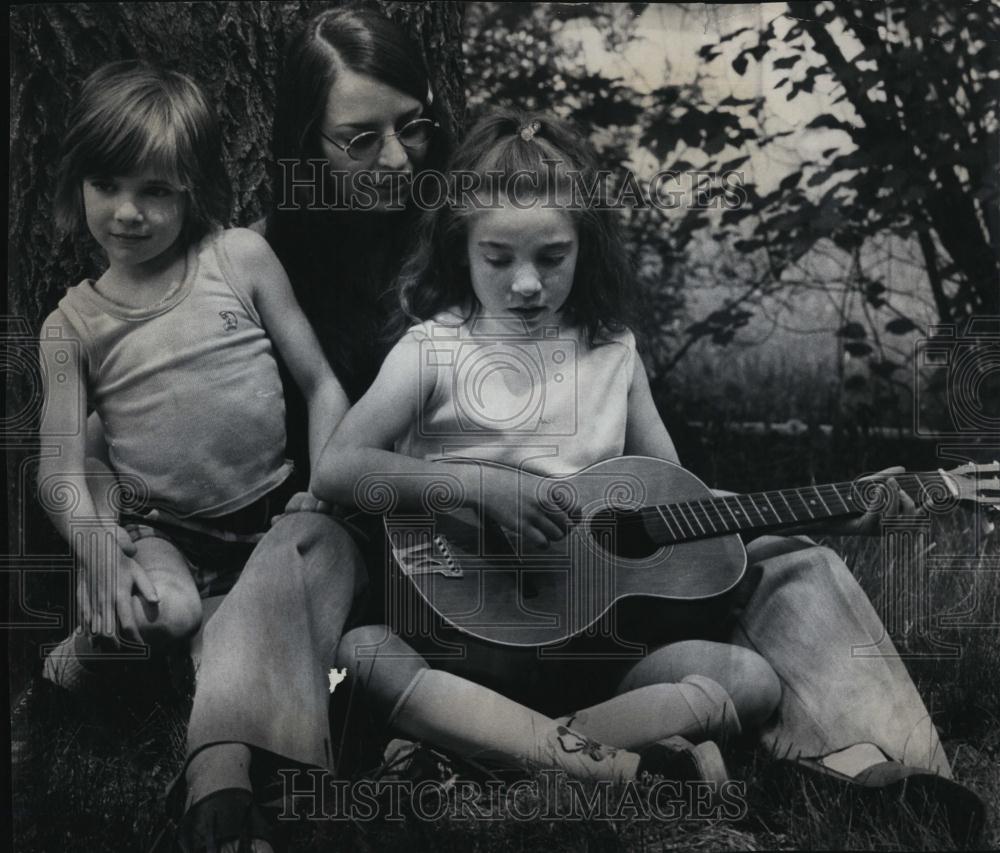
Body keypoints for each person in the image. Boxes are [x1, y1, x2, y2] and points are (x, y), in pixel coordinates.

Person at [316, 109, 781, 785]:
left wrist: (828, 506)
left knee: (755, 679)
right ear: (460, 248)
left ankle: (507, 749)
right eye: (498, 259)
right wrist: (481, 486)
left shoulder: (613, 352)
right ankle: (619, 767)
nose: (527, 283)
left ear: (584, 246)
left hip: (591, 652)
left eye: (551, 257)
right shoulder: (433, 349)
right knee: (363, 653)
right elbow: (337, 467)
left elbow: (674, 496)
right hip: (457, 646)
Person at [160, 8, 451, 852]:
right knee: (306, 539)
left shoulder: (475, 239)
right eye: (358, 140)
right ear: (302, 147)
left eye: (412, 128)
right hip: (330, 536)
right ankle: (222, 773)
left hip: (464, 539)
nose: (396, 160)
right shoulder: (261, 259)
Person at [38, 61, 346, 696]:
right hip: (164, 529)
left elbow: (320, 384)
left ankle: (219, 632)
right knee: (165, 614)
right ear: (77, 186)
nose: (127, 212)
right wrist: (95, 546)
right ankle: (82, 655)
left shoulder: (237, 258)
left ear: (191, 191)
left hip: (271, 513)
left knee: (320, 633)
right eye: (106, 184)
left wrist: (322, 490)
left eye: (156, 191)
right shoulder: (71, 326)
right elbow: (59, 471)